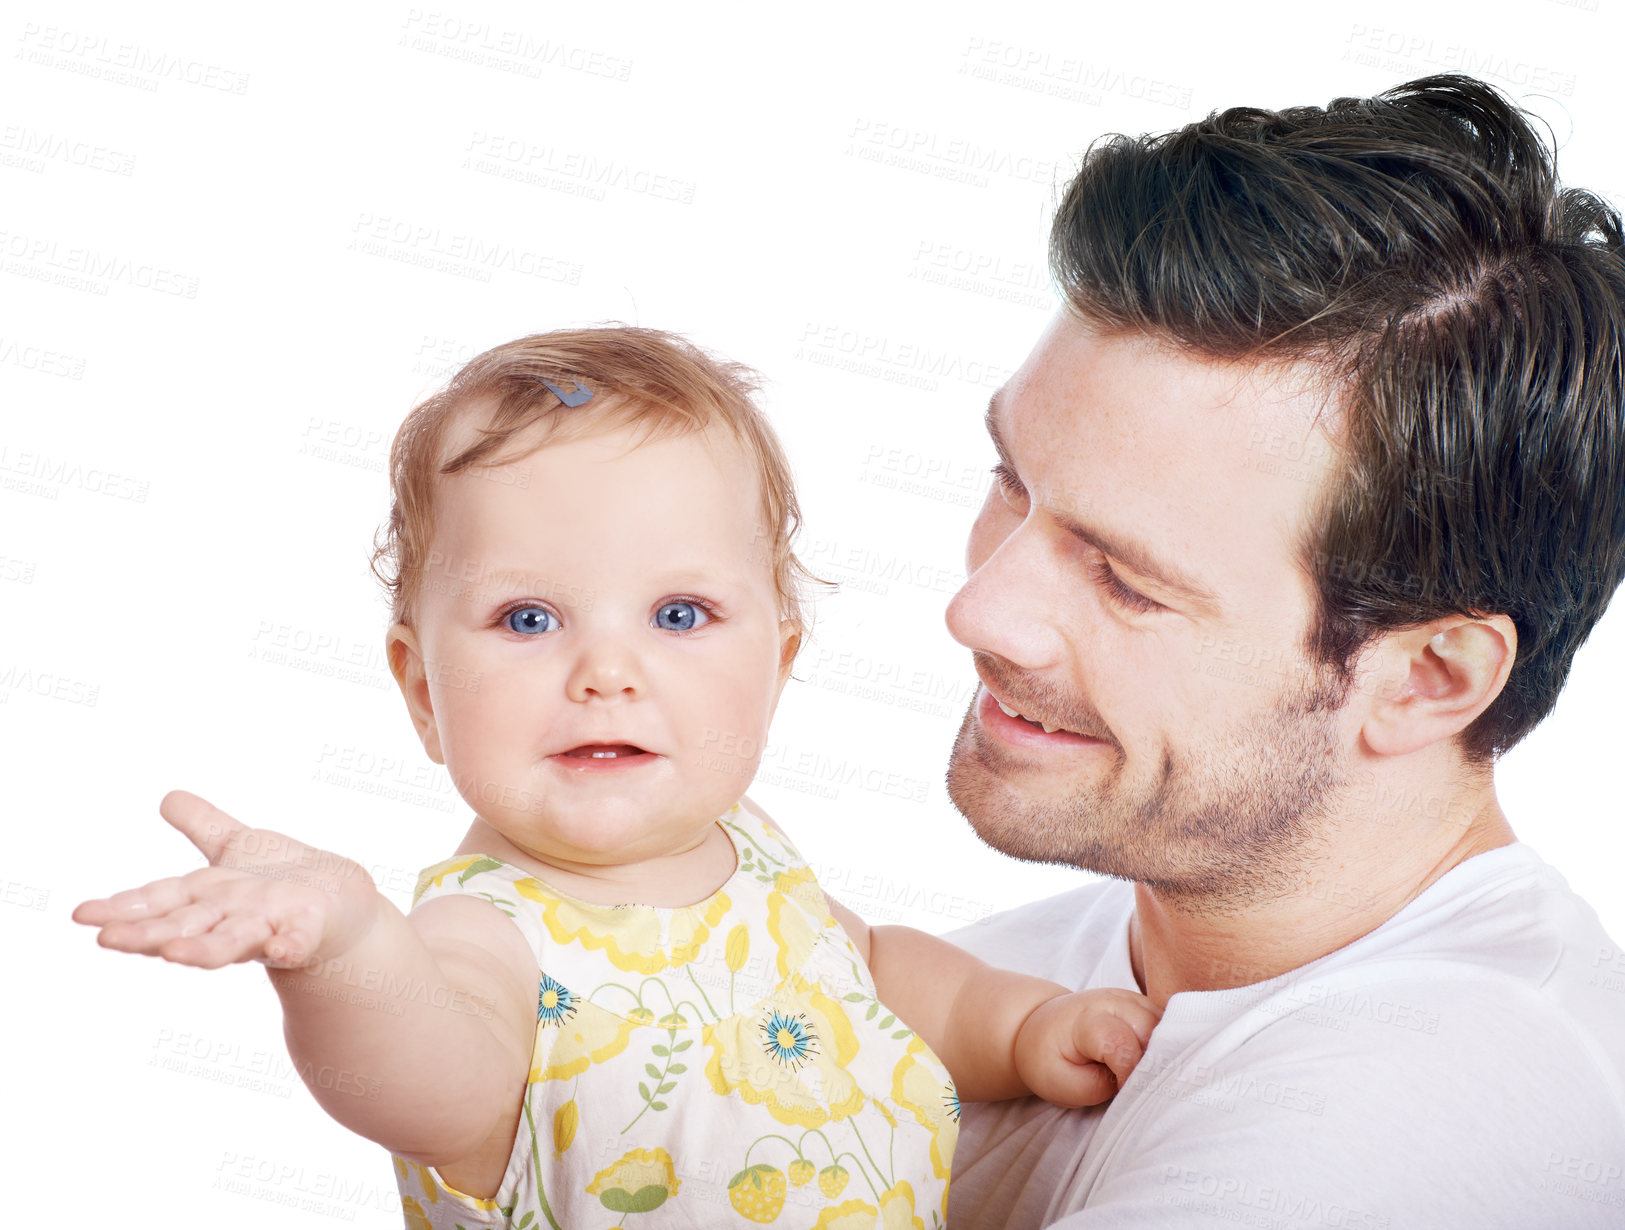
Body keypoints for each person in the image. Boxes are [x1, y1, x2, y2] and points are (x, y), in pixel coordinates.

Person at [72, 326, 1159, 1229]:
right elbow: (425, 1085)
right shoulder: (486, 939)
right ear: (419, 690)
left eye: (678, 615)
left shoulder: (754, 855)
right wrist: (345, 949)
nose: (604, 673)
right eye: (527, 618)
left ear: (775, 666)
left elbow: (874, 973)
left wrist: (1020, 1029)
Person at [937, 73, 1625, 1227]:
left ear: (1424, 679)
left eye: (1124, 578)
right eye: (1012, 482)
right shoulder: (979, 977)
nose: (981, 612)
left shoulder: (1424, 1116)